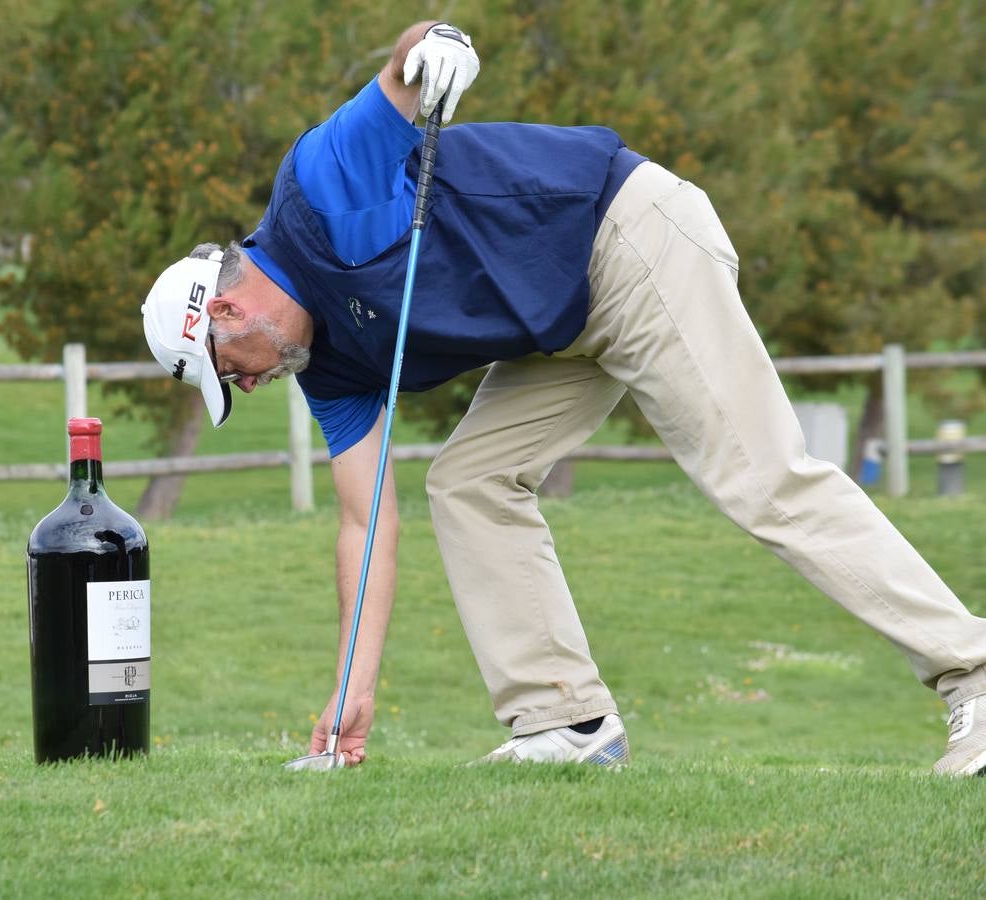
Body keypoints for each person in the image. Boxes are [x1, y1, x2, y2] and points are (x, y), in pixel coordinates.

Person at [140, 21, 986, 775]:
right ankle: (565, 722)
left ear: (225, 309)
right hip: (565, 321)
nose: (246, 386)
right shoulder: (327, 368)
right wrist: (351, 692)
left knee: (762, 479)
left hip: (631, 237)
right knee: (467, 480)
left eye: (229, 370)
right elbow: (366, 525)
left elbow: (405, 70)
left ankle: (973, 672)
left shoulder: (321, 189)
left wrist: (440, 44)